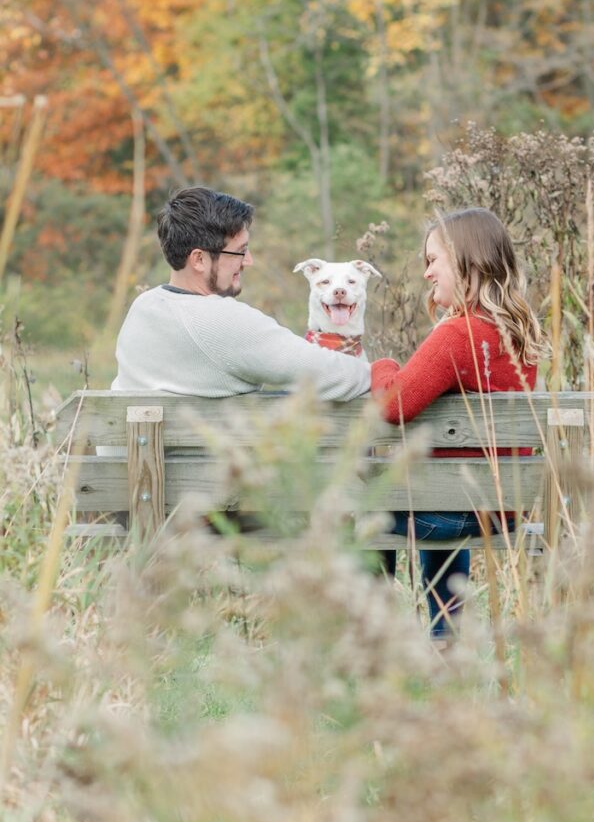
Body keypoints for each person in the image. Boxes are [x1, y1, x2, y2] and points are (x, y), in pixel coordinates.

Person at [371, 207, 543, 641]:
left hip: (450, 514)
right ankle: (445, 639)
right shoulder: (517, 334)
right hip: (501, 510)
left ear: (467, 260)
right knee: (440, 490)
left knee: (359, 506)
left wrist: (382, 364)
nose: (427, 273)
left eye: (433, 260)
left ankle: (367, 636)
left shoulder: (457, 334)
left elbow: (393, 405)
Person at [113, 186, 370, 400]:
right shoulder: (222, 320)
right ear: (200, 259)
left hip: (135, 459)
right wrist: (384, 370)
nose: (249, 261)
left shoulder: (143, 307)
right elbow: (334, 376)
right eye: (240, 251)